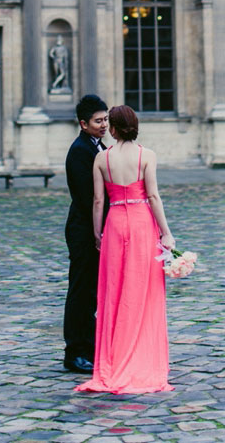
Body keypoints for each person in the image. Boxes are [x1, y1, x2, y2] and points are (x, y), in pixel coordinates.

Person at [76, 105, 175, 394]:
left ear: (115, 129)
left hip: (115, 223)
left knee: (114, 293)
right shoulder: (147, 155)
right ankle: (142, 355)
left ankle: (114, 357)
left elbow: (97, 200)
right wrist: (166, 232)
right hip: (143, 223)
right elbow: (153, 196)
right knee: (143, 292)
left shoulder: (101, 158)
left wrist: (98, 233)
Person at [63, 94, 109, 373]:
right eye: (98, 121)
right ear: (83, 123)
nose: (104, 125)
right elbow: (87, 197)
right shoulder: (80, 150)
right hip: (83, 230)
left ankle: (89, 346)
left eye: (105, 119)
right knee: (80, 291)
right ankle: (74, 351)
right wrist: (98, 231)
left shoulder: (96, 144)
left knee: (91, 291)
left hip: (94, 228)